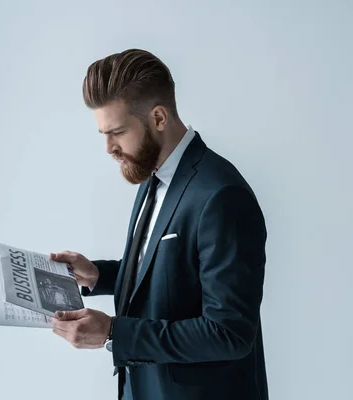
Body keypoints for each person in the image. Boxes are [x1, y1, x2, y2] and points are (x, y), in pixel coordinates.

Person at [49, 48, 268, 400]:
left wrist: (113, 333)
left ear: (159, 118)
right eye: (103, 133)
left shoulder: (222, 196)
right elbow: (173, 272)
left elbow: (229, 333)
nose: (108, 148)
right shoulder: (153, 175)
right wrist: (99, 275)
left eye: (117, 132)